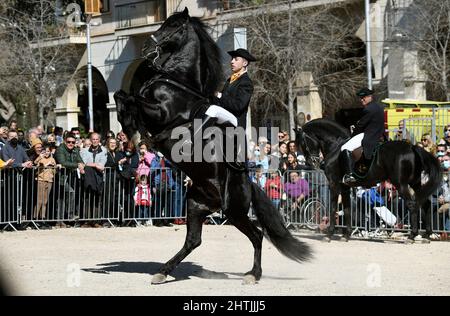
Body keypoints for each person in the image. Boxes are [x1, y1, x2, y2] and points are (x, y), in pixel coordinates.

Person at [190, 48, 256, 165]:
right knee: (206, 107)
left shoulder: (246, 82)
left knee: (214, 110)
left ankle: (194, 138)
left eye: (236, 59)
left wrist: (219, 95)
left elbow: (238, 105)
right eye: (232, 59)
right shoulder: (230, 79)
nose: (232, 61)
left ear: (245, 63)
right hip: (227, 117)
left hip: (236, 122)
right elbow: (222, 101)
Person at [340, 88, 385, 185]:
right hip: (379, 135)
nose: (361, 100)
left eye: (363, 97)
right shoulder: (378, 107)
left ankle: (349, 175)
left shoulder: (368, 109)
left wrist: (352, 136)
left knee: (344, 147)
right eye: (360, 98)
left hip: (369, 135)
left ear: (370, 97)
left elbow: (360, 126)